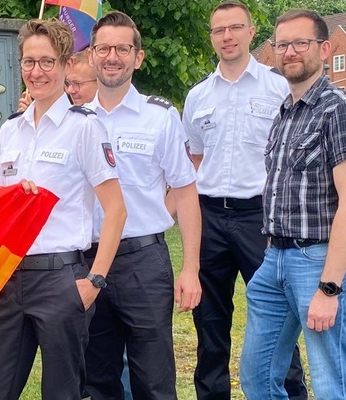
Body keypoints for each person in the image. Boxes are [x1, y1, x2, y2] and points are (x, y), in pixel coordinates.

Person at [0, 19, 126, 400]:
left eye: (46, 62)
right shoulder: (10, 130)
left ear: (65, 65)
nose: (36, 72)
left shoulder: (84, 128)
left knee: (62, 392)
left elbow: (116, 210)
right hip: (9, 280)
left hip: (61, 280)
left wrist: (95, 282)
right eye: (28, 62)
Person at [240, 9, 346, 399]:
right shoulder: (285, 114)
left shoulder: (340, 108)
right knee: (256, 378)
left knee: (333, 384)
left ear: (324, 49)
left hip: (319, 263)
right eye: (282, 44)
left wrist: (329, 288)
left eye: (301, 43)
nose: (289, 51)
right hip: (274, 262)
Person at [180, 2, 307, 398]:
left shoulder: (278, 87)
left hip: (262, 217)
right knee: (210, 325)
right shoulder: (198, 95)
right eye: (219, 30)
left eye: (235, 28)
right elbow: (194, 159)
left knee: (276, 320)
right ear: (212, 37)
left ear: (253, 33)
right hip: (210, 217)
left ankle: (290, 392)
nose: (227, 36)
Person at [81, 11, 201, 400]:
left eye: (122, 48)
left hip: (142, 264)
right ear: (91, 57)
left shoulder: (161, 117)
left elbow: (185, 192)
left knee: (154, 380)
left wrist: (191, 269)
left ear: (138, 57)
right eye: (103, 48)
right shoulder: (74, 121)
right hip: (87, 259)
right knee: (96, 378)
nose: (111, 56)